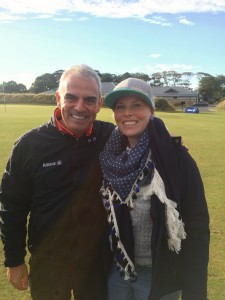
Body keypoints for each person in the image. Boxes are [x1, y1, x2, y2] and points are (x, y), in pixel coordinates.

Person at [0, 64, 115, 300]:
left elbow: (149, 139)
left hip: (97, 262)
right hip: (48, 261)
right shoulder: (29, 145)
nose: (79, 107)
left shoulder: (111, 137)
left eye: (89, 100)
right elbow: (11, 207)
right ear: (58, 98)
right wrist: (14, 260)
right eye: (71, 98)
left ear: (99, 104)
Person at [99, 78, 210, 300]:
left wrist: (195, 292)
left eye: (137, 105)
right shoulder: (108, 155)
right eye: (120, 107)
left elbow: (197, 227)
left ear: (151, 109)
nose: (127, 113)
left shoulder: (176, 158)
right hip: (118, 270)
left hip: (159, 276)